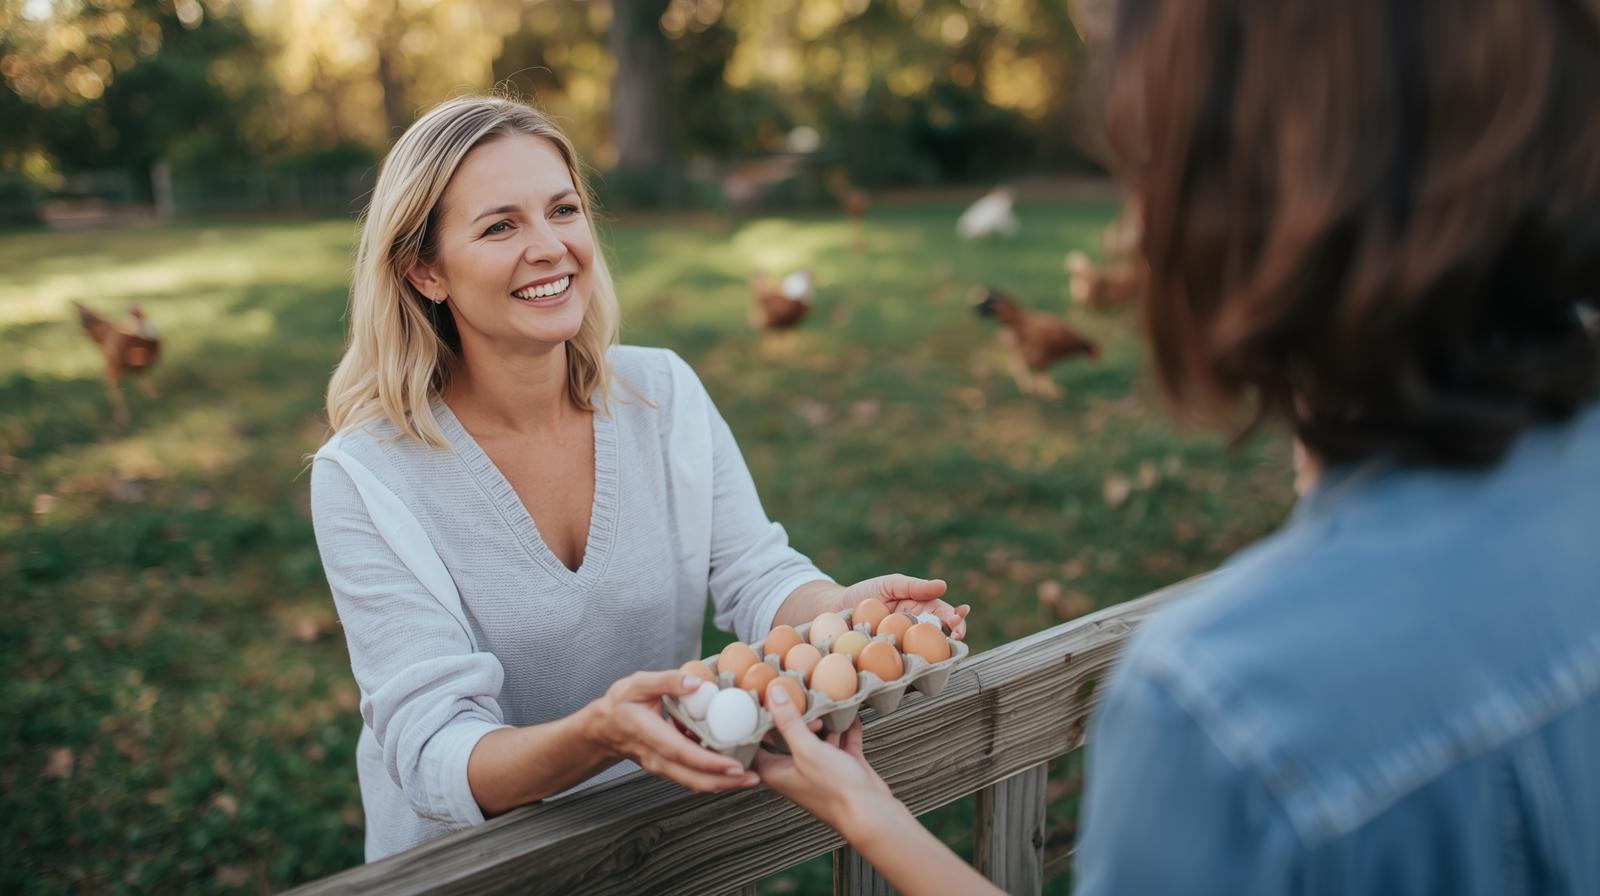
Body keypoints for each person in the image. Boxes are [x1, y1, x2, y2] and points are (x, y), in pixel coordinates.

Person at [755, 0, 1600, 893]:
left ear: (1240, 217)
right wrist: (867, 810)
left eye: (1152, 171)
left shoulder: (1226, 711)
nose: (1134, 229)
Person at [308, 95, 969, 862]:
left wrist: (842, 613)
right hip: (473, 872)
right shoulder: (367, 476)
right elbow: (435, 756)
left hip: (656, 844)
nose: (551, 246)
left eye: (563, 210)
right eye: (500, 225)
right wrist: (596, 736)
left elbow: (755, 573)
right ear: (425, 271)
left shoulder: (663, 394)